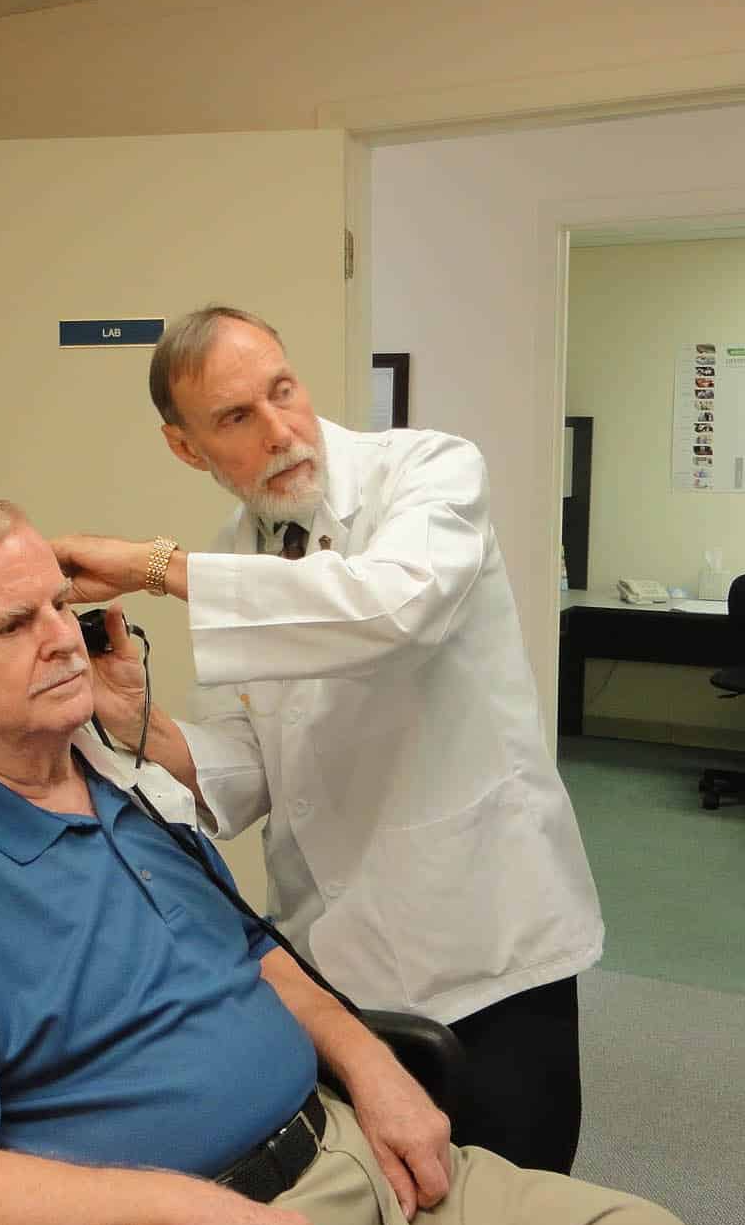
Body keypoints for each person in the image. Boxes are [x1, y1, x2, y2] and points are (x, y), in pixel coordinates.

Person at [0, 499, 709, 1225]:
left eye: (61, 602)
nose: (59, 636)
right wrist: (194, 1216)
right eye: (12, 625)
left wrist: (372, 1066)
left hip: (351, 1159)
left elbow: (249, 953)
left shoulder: (123, 786)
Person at [51, 305, 604, 1174]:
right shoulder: (241, 550)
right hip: (333, 958)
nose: (280, 431)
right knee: (391, 1213)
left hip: (482, 944)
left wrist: (153, 568)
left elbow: (392, 607)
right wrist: (137, 723)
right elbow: (247, 770)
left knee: (512, 1210)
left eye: (283, 391)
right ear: (186, 448)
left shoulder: (428, 471)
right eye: (236, 418)